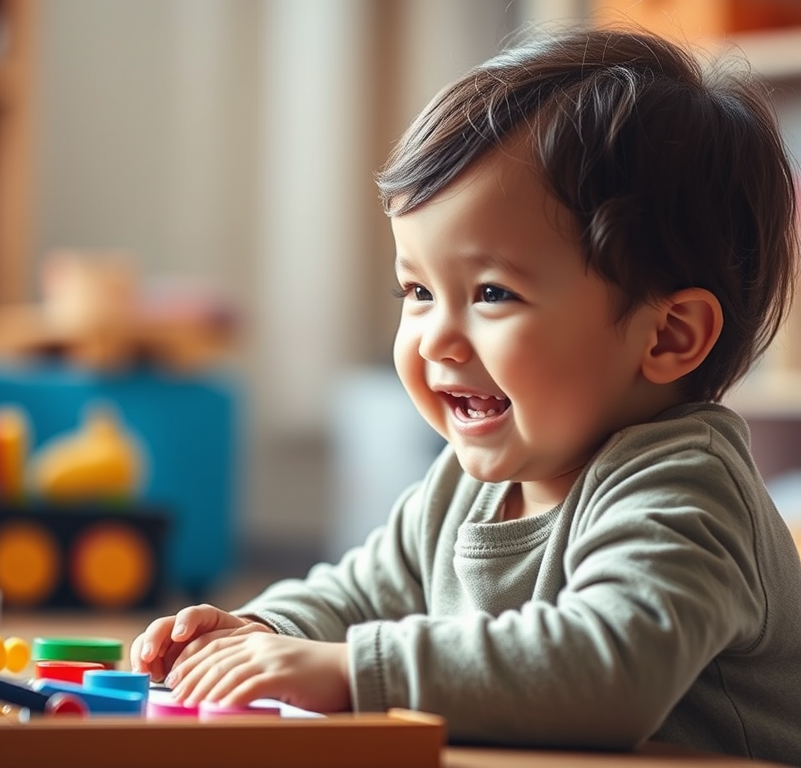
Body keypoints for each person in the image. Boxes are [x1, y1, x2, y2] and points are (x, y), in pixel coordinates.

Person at [131, 24, 801, 763]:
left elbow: (608, 668)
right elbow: (357, 596)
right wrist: (265, 634)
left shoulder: (686, 488)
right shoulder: (460, 489)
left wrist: (350, 671)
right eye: (417, 291)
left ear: (668, 336)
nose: (435, 340)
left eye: (491, 293)